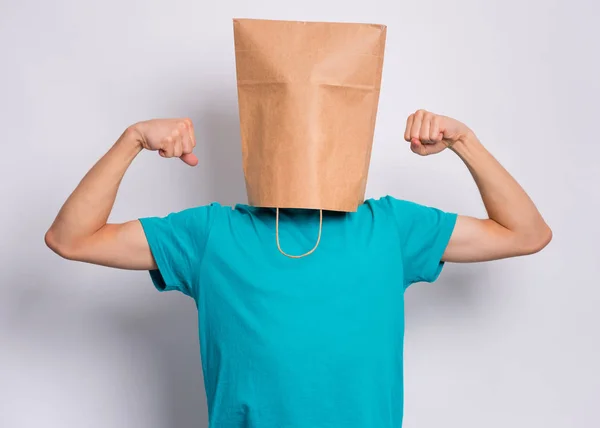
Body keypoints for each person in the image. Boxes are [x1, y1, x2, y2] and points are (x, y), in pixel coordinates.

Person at [45, 110, 552, 427]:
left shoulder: (391, 226)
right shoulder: (210, 234)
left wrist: (465, 141)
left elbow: (527, 234)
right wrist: (133, 138)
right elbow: (71, 239)